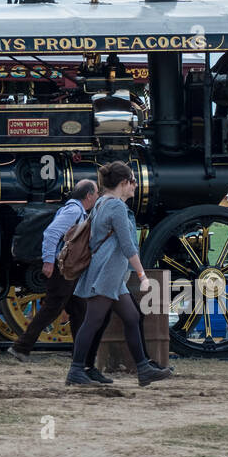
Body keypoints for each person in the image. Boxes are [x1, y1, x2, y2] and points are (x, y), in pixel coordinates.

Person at [65, 162, 170, 387]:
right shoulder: (117, 208)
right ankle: (76, 370)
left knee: (131, 318)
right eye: (133, 181)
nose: (135, 185)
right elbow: (128, 247)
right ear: (123, 183)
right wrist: (142, 276)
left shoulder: (102, 202)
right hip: (107, 273)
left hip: (110, 274)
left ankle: (143, 369)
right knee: (92, 321)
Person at [7, 180, 99, 363]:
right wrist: (48, 261)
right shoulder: (73, 211)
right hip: (61, 269)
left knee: (79, 309)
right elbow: (51, 233)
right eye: (96, 193)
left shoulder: (76, 211)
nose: (97, 197)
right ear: (88, 195)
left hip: (66, 270)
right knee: (52, 308)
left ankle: (81, 354)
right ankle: (21, 347)